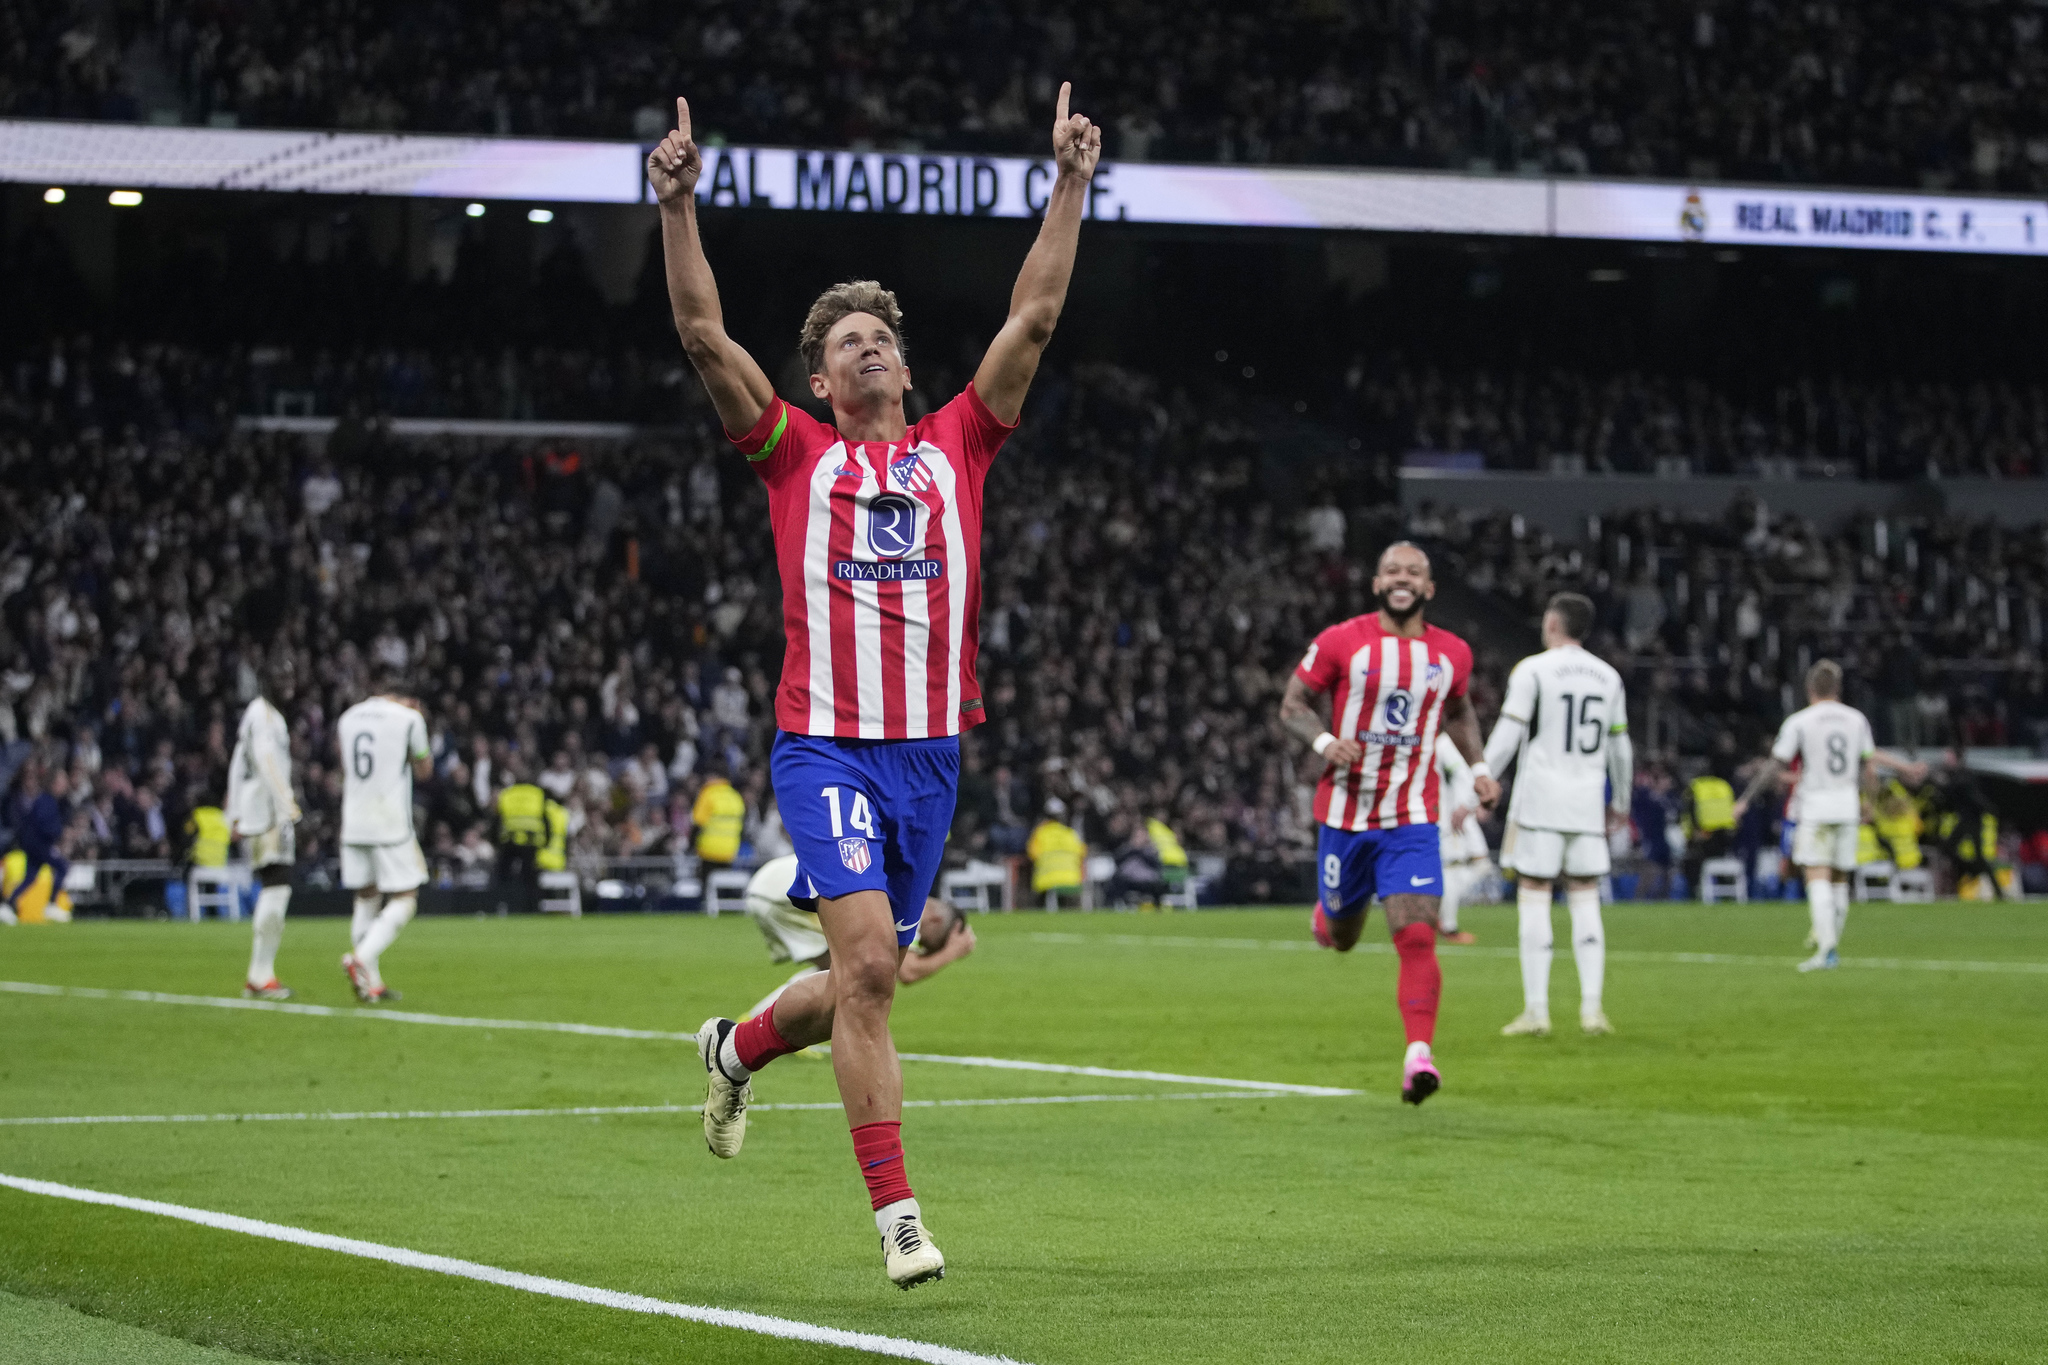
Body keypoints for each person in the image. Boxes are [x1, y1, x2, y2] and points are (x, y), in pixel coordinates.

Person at [648, 81, 1100, 1287]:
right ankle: (899, 1221)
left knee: (866, 977)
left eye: (880, 333)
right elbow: (702, 337)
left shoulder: (961, 442)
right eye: (847, 340)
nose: (870, 343)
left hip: (928, 757)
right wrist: (678, 206)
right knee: (863, 974)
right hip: (827, 749)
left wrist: (1067, 182)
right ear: (822, 378)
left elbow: (1038, 315)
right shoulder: (793, 455)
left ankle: (738, 1046)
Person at [1279, 540, 1500, 1105]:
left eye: (1415, 572)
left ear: (1428, 588)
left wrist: (1478, 769)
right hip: (1346, 816)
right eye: (1392, 571)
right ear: (1377, 584)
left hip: (1412, 815)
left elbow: (1457, 710)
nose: (1402, 579)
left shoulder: (1452, 653)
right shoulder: (1340, 641)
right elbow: (1294, 704)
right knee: (1344, 937)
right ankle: (1328, 918)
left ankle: (1418, 1057)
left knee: (1418, 932)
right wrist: (1327, 743)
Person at [1481, 593, 1632, 1037]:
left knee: (1535, 891)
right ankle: (1591, 1009)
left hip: (1542, 801)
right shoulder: (1608, 677)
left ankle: (1537, 1011)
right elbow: (1620, 747)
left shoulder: (1533, 670)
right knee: (1585, 895)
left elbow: (1509, 731)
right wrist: (1620, 802)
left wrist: (1482, 778)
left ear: (1551, 623)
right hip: (1586, 802)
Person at [1735, 660, 1875, 971]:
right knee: (1839, 880)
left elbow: (1775, 764)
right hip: (1847, 806)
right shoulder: (1857, 720)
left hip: (1815, 807)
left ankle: (1826, 950)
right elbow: (1869, 768)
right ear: (1837, 688)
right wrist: (1869, 803)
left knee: (1817, 876)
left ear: (1810, 689)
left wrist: (1746, 798)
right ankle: (1831, 946)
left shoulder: (1800, 721)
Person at [739, 854, 978, 1022]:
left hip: (771, 885)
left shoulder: (901, 879)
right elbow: (906, 972)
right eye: (926, 943)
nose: (920, 946)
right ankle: (770, 1024)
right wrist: (951, 952)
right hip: (786, 896)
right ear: (935, 921)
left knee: (841, 970)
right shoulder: (910, 904)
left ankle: (758, 1020)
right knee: (853, 972)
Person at [337, 674, 433, 1002]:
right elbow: (424, 771)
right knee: (406, 897)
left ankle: (371, 983)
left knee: (366, 896)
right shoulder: (410, 718)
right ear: (408, 699)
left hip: (353, 821)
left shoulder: (348, 717)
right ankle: (361, 958)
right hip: (389, 821)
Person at [225, 678, 301, 999]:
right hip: (267, 812)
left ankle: (260, 974)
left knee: (275, 886)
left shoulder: (255, 714)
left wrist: (233, 809)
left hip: (254, 809)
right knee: (277, 887)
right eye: (282, 678)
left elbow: (237, 762)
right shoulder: (266, 717)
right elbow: (266, 761)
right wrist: (287, 804)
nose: (289, 685)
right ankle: (260, 975)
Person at [1433, 733, 1488, 946]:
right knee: (1452, 869)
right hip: (1450, 816)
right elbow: (1460, 774)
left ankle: (1438, 910)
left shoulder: (1439, 742)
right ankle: (1449, 927)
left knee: (1478, 864)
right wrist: (1467, 804)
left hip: (1452, 814)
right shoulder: (1445, 742)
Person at [2, 768, 70, 927]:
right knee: (62, 867)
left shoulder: (46, 800)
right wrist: (58, 832)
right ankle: (52, 904)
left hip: (33, 844)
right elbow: (43, 824)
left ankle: (8, 904)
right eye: (62, 782)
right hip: (39, 845)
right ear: (54, 784)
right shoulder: (47, 801)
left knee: (30, 877)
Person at [495, 763, 549, 907]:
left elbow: (498, 820)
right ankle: (532, 907)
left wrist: (496, 842)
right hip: (531, 842)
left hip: (509, 842)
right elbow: (545, 820)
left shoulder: (506, 794)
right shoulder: (537, 794)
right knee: (530, 879)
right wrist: (546, 842)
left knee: (502, 877)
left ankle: (502, 905)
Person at [1027, 798, 1087, 907]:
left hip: (1045, 880)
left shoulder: (1040, 833)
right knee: (1068, 908)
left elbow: (1032, 854)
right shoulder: (1070, 833)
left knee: (1037, 905)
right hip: (1070, 879)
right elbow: (1082, 853)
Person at [691, 761, 746, 869]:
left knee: (708, 884)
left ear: (713, 776)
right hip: (729, 851)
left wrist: (692, 845)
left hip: (708, 851)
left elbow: (698, 822)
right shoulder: (735, 796)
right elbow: (742, 824)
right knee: (723, 883)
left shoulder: (708, 794)